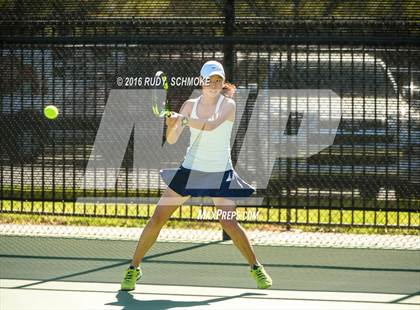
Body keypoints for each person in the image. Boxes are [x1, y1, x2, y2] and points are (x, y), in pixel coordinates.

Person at [121, 60, 272, 291]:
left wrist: (182, 119)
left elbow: (210, 126)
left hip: (220, 174)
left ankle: (255, 267)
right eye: (209, 80)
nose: (213, 84)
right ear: (201, 82)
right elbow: (172, 140)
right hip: (190, 172)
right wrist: (171, 124)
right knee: (157, 218)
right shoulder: (189, 105)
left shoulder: (228, 104)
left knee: (229, 223)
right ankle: (134, 268)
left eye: (218, 80)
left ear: (222, 82)